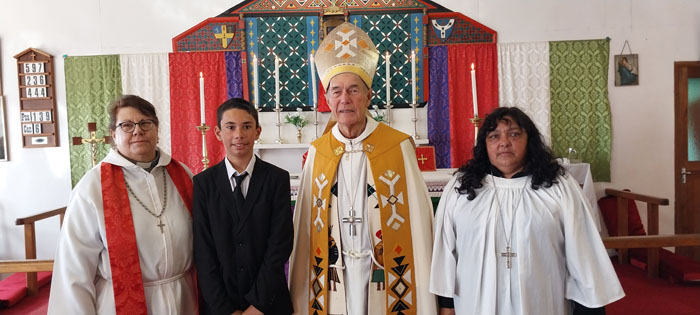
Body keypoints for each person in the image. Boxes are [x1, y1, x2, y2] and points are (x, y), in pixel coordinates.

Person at [288, 22, 437, 315]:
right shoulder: (319, 152)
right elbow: (306, 230)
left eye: (353, 90)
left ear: (368, 97)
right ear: (328, 100)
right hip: (334, 276)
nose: (345, 99)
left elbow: (419, 227)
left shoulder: (397, 146)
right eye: (337, 92)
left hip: (384, 274)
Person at [429, 106, 624, 315]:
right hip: (474, 304)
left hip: (542, 302)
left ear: (528, 140)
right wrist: (446, 305)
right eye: (494, 136)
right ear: (484, 145)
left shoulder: (559, 186)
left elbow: (584, 252)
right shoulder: (462, 187)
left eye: (514, 134)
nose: (504, 142)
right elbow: (445, 251)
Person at [48, 95, 197, 314]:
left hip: (184, 298)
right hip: (120, 304)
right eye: (126, 125)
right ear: (113, 134)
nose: (138, 131)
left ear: (157, 129)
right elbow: (74, 270)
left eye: (145, 123)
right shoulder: (93, 187)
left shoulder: (182, 175)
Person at [193, 98, 293, 315]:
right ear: (219, 133)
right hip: (220, 304)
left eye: (246, 126)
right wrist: (224, 309)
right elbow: (203, 251)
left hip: (269, 302)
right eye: (230, 127)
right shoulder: (203, 184)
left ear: (257, 131)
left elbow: (280, 244)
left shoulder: (276, 179)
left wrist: (256, 307)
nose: (239, 134)